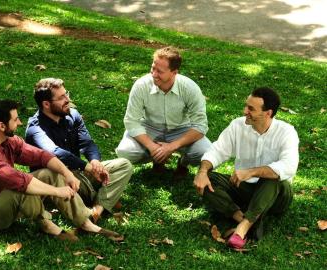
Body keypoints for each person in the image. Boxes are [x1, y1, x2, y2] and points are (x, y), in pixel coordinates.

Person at [0, 99, 124, 242]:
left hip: (4, 198)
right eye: (15, 119)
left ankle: (85, 223)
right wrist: (57, 191)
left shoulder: (8, 141)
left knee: (50, 172)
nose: (19, 122)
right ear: (1, 126)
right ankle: (47, 226)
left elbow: (41, 156)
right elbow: (21, 182)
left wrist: (67, 173)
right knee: (21, 187)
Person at [193, 87, 299, 249]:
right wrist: (202, 171)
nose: (244, 111)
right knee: (209, 178)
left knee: (275, 177)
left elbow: (288, 166)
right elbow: (218, 150)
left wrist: (251, 171)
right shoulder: (238, 125)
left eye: (251, 109)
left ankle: (242, 228)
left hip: (276, 196)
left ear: (268, 113)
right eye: (246, 106)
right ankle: (241, 217)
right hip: (244, 190)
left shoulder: (286, 132)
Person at [25, 78, 133, 223]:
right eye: (61, 97)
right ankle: (98, 197)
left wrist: (95, 162)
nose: (68, 99)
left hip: (80, 175)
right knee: (56, 175)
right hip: (58, 181)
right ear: (46, 104)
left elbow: (87, 143)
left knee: (124, 165)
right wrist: (87, 167)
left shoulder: (73, 115)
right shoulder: (35, 128)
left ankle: (98, 209)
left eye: (66, 94)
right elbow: (54, 152)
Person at [115, 46, 211, 179]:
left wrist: (172, 147)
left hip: (181, 129)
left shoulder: (190, 88)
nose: (154, 74)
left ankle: (183, 163)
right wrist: (153, 147)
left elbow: (200, 126)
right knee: (125, 152)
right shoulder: (141, 85)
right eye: (153, 68)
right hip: (150, 128)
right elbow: (131, 121)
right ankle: (157, 159)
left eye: (159, 71)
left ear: (174, 72)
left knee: (207, 153)